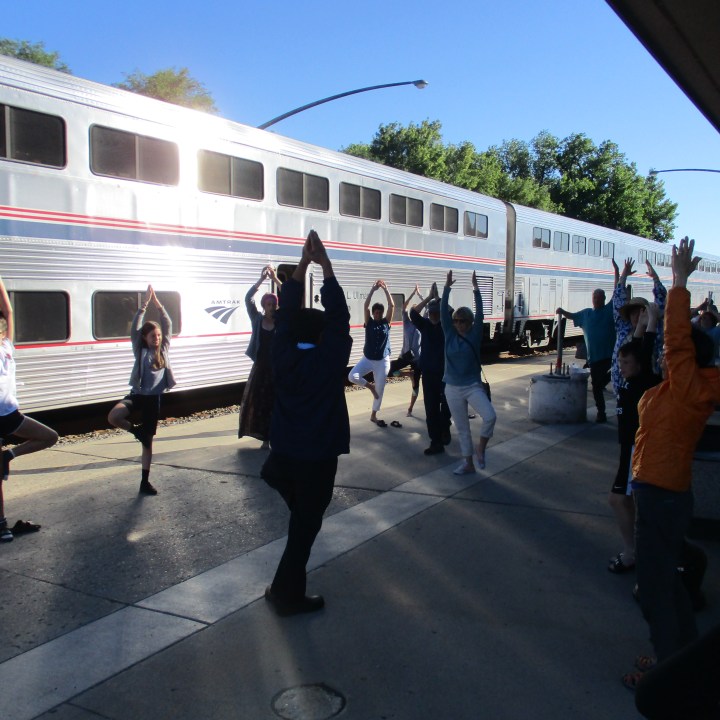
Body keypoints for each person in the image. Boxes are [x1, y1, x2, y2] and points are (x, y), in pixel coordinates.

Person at [623, 237, 720, 690]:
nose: (664, 356)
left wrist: (679, 283)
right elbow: (661, 348)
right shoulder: (665, 390)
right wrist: (656, 319)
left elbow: (678, 346)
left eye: (672, 356)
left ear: (687, 363)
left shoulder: (690, 389)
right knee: (667, 584)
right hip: (657, 493)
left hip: (662, 496)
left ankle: (669, 675)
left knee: (655, 588)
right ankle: (681, 655)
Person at [261, 229, 352, 616]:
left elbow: (287, 312)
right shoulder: (328, 358)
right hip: (317, 455)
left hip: (283, 452)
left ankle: (283, 588)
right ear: (321, 334)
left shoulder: (280, 351)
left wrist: (303, 263)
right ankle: (287, 595)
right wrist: (325, 265)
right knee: (306, 525)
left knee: (300, 514)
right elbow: (341, 317)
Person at [0, 274, 58, 541]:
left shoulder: (7, 347)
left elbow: (9, 310)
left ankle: (8, 456)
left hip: (11, 414)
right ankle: (1, 525)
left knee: (50, 437)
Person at [607, 303, 661, 574]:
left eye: (626, 363)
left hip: (635, 450)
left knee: (618, 499)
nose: (622, 367)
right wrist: (639, 325)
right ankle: (637, 549)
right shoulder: (631, 378)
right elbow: (638, 344)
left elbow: (646, 347)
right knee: (627, 500)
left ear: (639, 364)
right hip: (627, 449)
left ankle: (632, 553)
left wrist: (652, 321)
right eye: (620, 363)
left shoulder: (645, 380)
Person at [108, 285, 176, 496]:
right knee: (114, 416)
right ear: (145, 338)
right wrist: (145, 305)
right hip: (137, 396)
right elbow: (135, 328)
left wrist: (159, 304)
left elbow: (168, 323)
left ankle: (144, 482)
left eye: (158, 335)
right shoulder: (140, 350)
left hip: (153, 400)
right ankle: (135, 431)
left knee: (148, 444)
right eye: (152, 335)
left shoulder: (163, 348)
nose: (156, 338)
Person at [441, 270, 496, 475]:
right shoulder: (449, 334)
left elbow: (480, 312)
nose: (458, 324)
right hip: (452, 388)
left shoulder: (474, 335)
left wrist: (476, 289)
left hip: (472, 385)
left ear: (470, 322)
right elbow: (442, 311)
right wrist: (447, 287)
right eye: (456, 320)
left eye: (462, 321)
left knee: (490, 416)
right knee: (462, 428)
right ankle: (468, 463)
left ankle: (481, 448)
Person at [557, 287, 615, 422]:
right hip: (594, 358)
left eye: (599, 297)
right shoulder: (586, 314)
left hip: (609, 356)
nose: (597, 300)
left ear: (604, 299)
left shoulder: (608, 310)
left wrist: (619, 273)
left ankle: (602, 409)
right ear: (592, 299)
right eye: (595, 297)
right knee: (596, 385)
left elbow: (617, 292)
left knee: (604, 380)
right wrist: (562, 311)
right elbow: (572, 316)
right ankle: (601, 412)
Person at [239, 265, 281, 449]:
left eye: (273, 304)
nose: (271, 307)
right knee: (259, 403)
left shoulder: (281, 321)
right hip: (261, 368)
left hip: (277, 368)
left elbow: (290, 295)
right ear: (264, 306)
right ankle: (265, 438)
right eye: (268, 304)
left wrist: (276, 279)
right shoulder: (257, 319)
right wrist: (261, 280)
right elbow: (248, 299)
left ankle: (274, 437)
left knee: (275, 403)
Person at [611, 258, 667, 394]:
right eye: (633, 313)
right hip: (622, 388)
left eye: (641, 312)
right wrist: (623, 275)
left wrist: (656, 279)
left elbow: (662, 303)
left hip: (649, 390)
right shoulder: (623, 329)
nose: (637, 317)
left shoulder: (656, 331)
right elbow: (618, 300)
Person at [348, 279, 395, 426]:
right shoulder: (369, 323)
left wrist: (386, 289)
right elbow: (365, 305)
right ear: (373, 313)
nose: (377, 314)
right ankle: (370, 387)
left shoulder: (386, 323)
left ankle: (373, 415)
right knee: (352, 376)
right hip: (368, 359)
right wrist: (373, 290)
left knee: (380, 387)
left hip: (382, 360)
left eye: (379, 313)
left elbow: (392, 305)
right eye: (375, 312)